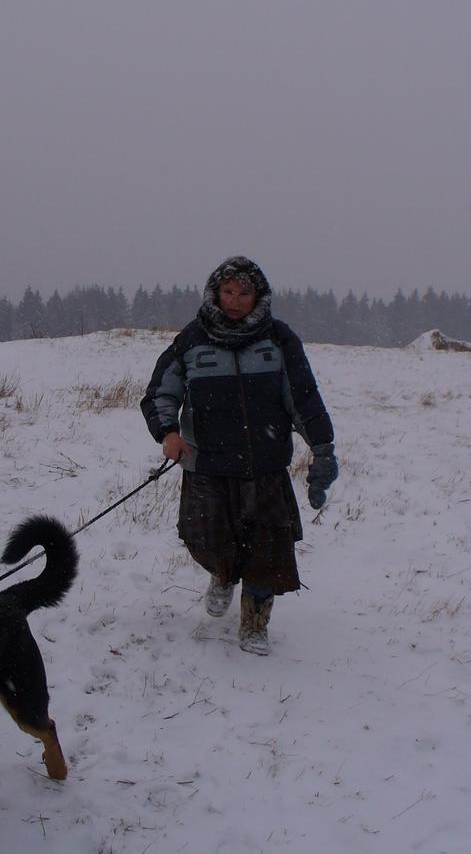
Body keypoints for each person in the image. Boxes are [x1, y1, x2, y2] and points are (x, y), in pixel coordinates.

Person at [140, 256, 338, 655]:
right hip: (206, 465)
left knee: (267, 550)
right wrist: (169, 433)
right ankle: (222, 574)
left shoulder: (280, 340)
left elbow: (302, 399)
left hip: (263, 466)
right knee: (210, 542)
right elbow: (161, 393)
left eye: (243, 293)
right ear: (215, 293)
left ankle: (254, 623)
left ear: (258, 296)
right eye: (227, 292)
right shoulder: (192, 340)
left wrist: (322, 448)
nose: (234, 301)